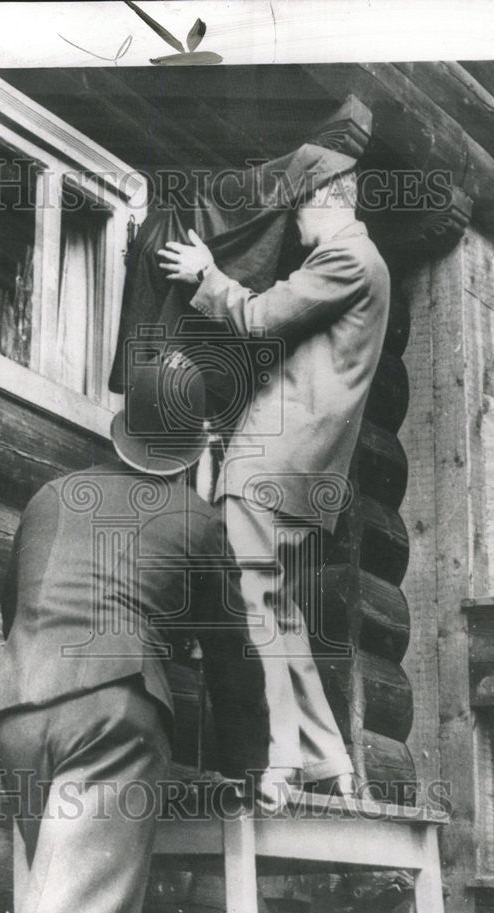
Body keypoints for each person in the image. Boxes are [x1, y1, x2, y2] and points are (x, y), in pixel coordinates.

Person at [0, 352, 273, 913]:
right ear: (195, 445)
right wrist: (246, 771)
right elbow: (234, 661)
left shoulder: (52, 497)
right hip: (109, 723)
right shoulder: (198, 519)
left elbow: (18, 617)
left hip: (15, 716)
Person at [157, 167, 391, 799]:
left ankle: (278, 757)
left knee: (250, 599)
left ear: (326, 199)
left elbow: (260, 318)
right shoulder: (370, 263)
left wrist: (207, 275)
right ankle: (327, 759)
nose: (292, 223)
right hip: (304, 471)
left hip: (274, 461)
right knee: (278, 609)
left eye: (298, 208)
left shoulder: (346, 254)